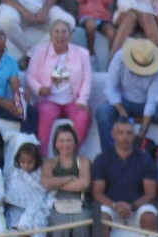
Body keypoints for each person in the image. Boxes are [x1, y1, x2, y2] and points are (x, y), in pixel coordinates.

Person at [97, 38, 158, 156]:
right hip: (122, 100)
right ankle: (109, 157)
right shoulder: (120, 57)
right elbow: (110, 88)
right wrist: (122, 112)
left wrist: (142, 132)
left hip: (147, 103)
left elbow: (153, 100)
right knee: (102, 112)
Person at [25, 16, 92, 157]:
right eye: (56, 31)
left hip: (72, 99)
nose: (60, 35)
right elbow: (29, 76)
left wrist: (82, 99)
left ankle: (72, 155)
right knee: (45, 113)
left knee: (83, 115)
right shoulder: (40, 51)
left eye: (64, 32)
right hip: (49, 99)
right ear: (51, 34)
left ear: (70, 35)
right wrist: (39, 88)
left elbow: (87, 79)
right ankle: (41, 156)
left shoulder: (82, 53)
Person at [92, 116, 158, 237]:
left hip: (137, 208)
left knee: (149, 218)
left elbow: (150, 194)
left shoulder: (145, 159)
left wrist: (132, 206)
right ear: (113, 135)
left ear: (134, 136)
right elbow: (97, 193)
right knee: (101, 221)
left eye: (129, 133)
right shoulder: (101, 159)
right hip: (111, 207)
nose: (125, 137)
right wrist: (115, 206)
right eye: (120, 133)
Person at [41, 124, 92, 237]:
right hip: (56, 204)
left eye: (69, 140)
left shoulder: (83, 161)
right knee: (58, 224)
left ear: (75, 143)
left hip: (80, 203)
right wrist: (70, 178)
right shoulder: (49, 163)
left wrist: (57, 183)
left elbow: (84, 183)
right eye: (61, 140)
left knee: (81, 223)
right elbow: (46, 183)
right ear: (56, 143)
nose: (65, 144)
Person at [6, 140, 50, 237]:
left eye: (29, 162)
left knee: (38, 225)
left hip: (37, 208)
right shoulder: (15, 174)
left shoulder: (41, 172)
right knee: (22, 230)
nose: (25, 165)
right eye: (23, 161)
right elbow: (10, 193)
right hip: (17, 209)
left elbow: (43, 190)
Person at [1, 0, 75, 62]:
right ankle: (32, 52)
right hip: (14, 6)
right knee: (6, 21)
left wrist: (44, 10)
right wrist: (24, 11)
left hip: (43, 7)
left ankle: (31, 56)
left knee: (68, 22)